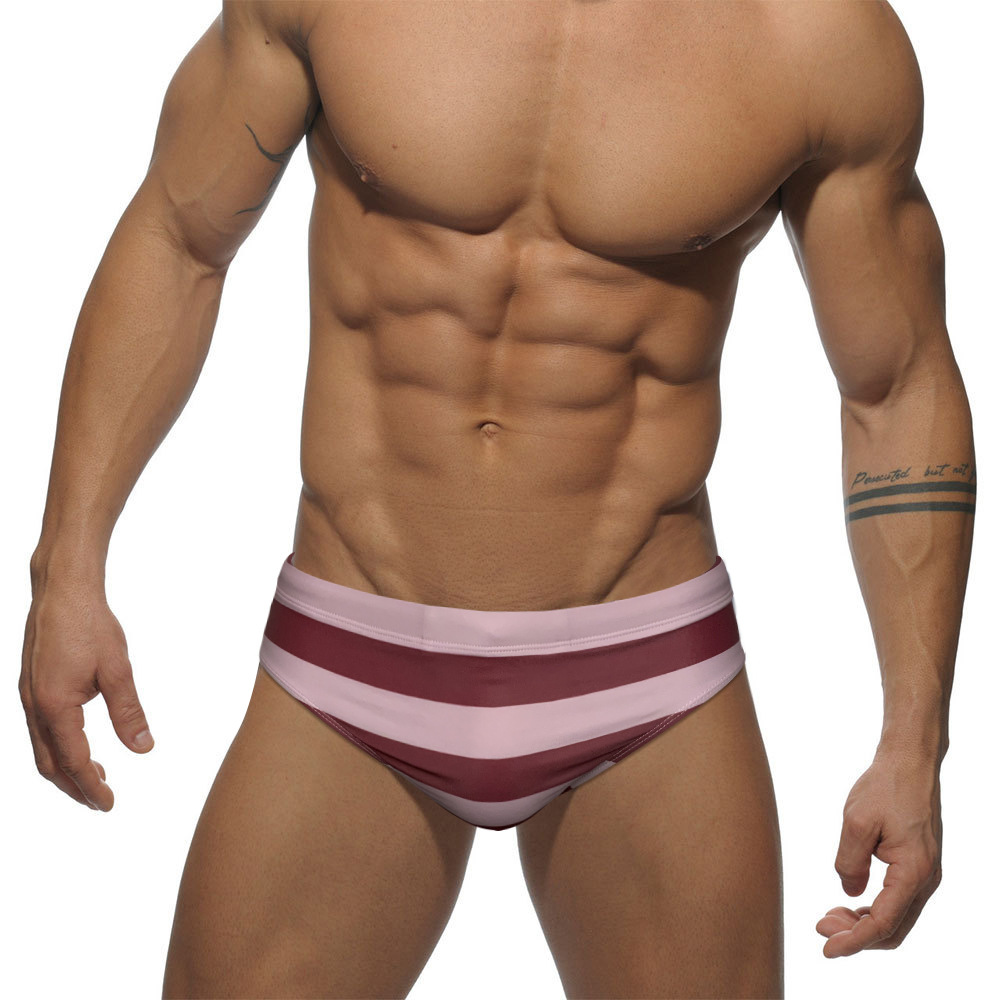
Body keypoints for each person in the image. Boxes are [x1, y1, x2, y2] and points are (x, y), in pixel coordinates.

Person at [19, 1, 974, 997]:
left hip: (647, 677)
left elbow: (896, 385)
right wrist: (67, 568)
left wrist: (914, 742)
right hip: (351, 656)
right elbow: (181, 238)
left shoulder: (815, 35)